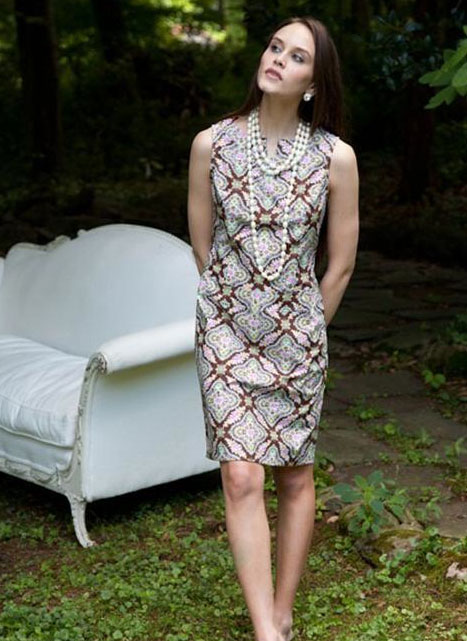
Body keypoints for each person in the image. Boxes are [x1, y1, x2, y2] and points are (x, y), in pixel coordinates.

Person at [187, 14, 359, 641]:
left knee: (294, 473)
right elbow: (203, 246)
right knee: (241, 473)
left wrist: (305, 326)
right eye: (275, 46)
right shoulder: (212, 144)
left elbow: (339, 265)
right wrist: (234, 310)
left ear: (314, 82)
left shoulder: (335, 158)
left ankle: (282, 608)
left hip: (298, 338)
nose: (278, 59)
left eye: (297, 56)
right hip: (227, 333)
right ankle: (267, 631)